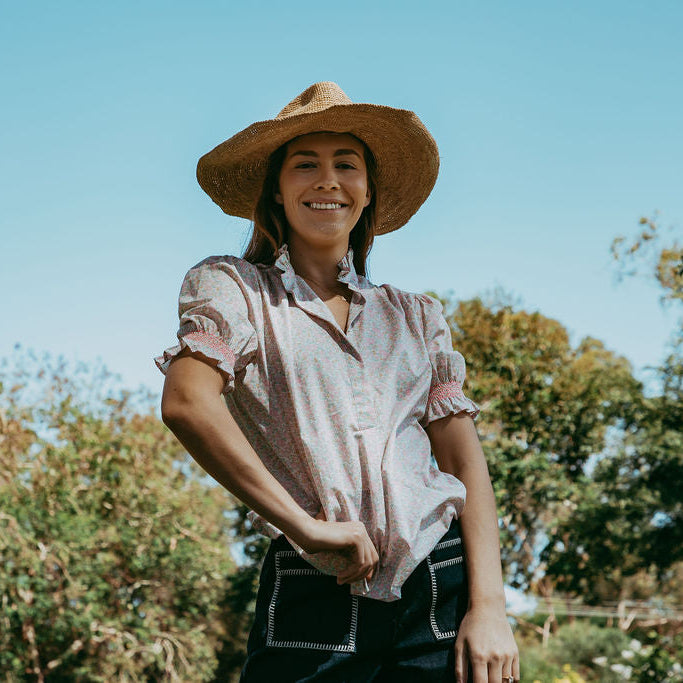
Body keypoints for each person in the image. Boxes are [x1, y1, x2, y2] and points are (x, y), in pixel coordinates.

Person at [154, 82, 520, 683]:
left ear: (367, 189)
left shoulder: (417, 315)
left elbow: (463, 461)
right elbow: (187, 402)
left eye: (345, 165)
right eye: (306, 165)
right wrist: (305, 526)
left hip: (440, 591)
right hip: (314, 585)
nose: (327, 180)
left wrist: (490, 606)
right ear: (276, 188)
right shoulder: (235, 289)